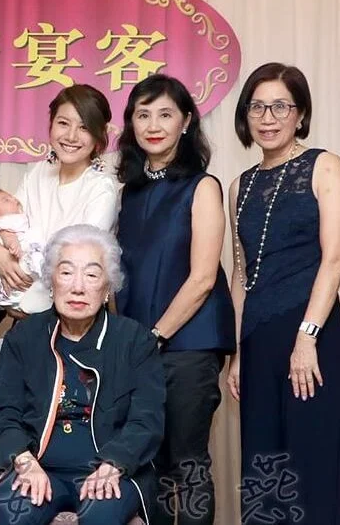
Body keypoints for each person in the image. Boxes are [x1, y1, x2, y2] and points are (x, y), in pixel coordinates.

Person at [228, 63, 340, 525]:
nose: (268, 117)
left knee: (310, 469)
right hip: (258, 342)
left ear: (300, 114)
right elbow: (241, 273)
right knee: (263, 472)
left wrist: (307, 337)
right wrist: (238, 353)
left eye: (280, 106)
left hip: (312, 339)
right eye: (257, 107)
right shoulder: (239, 186)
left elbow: (335, 259)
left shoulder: (324, 165)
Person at [115, 74, 235, 525]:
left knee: (188, 462)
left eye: (165, 114)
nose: (153, 125)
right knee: (151, 464)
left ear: (185, 122)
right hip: (139, 346)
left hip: (188, 346)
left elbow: (203, 278)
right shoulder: (128, 193)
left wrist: (157, 335)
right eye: (142, 114)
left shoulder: (203, 187)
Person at [0, 224, 165, 525]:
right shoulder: (24, 338)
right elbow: (3, 413)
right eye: (67, 272)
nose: (78, 287)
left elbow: (146, 419)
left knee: (101, 516)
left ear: (107, 289)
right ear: (51, 281)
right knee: (15, 513)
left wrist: (114, 464)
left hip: (109, 470)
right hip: (39, 467)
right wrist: (24, 461)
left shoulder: (135, 340)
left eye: (92, 275)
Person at [0, 84, 119, 305]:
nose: (71, 136)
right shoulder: (38, 173)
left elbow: (77, 264)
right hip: (24, 311)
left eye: (84, 127)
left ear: (99, 135)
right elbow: (6, 224)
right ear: (51, 124)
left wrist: (25, 303)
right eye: (63, 123)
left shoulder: (102, 189)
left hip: (72, 313)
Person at [0, 187, 52, 314]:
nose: (14, 199)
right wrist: (12, 243)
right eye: (6, 200)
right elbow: (6, 234)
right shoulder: (3, 222)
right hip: (15, 259)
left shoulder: (17, 217)